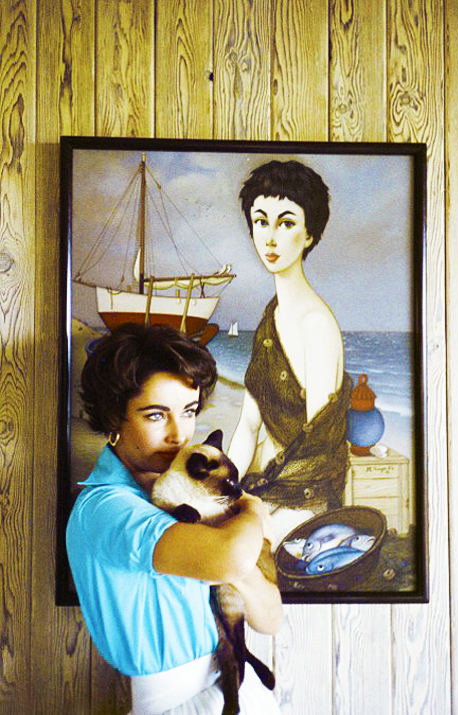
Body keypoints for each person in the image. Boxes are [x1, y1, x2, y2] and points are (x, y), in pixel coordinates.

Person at [66, 322, 283, 715]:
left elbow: (270, 619)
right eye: (155, 415)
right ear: (114, 417)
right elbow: (232, 560)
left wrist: (238, 560)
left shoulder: (186, 500)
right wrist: (252, 509)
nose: (178, 434)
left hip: (236, 691)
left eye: (188, 411)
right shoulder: (106, 508)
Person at [228, 159, 353, 544]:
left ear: (309, 234)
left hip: (307, 499)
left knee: (238, 553)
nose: (270, 238)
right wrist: (224, 489)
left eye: (286, 223)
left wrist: (257, 504)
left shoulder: (316, 324)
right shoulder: (272, 318)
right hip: (264, 490)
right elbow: (248, 426)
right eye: (261, 221)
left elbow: (317, 447)